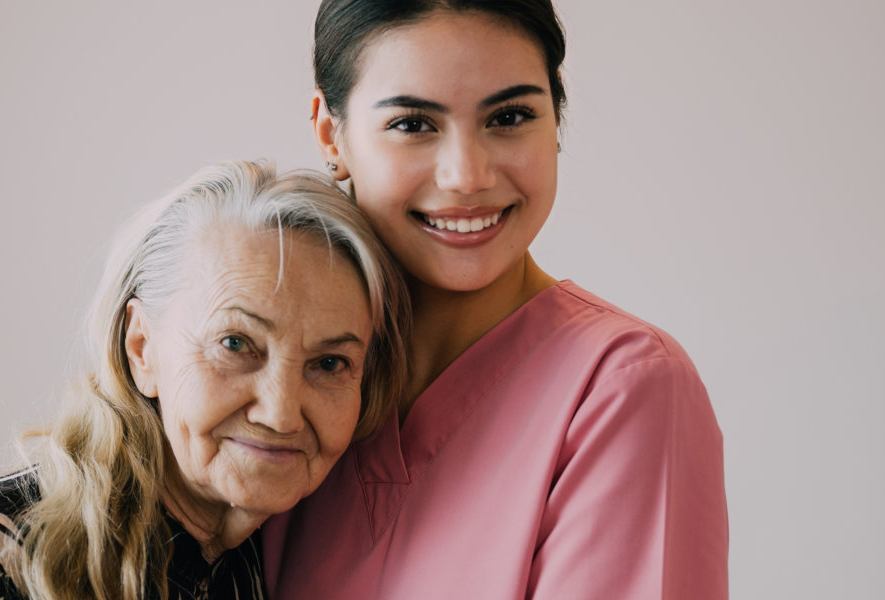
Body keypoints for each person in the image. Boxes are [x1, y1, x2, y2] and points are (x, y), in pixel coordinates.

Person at [264, 1, 729, 598]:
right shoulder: (272, 377)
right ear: (332, 134)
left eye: (509, 116)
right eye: (413, 123)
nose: (467, 175)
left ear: (556, 118)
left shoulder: (623, 389)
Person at [0, 160, 409, 600]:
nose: (280, 412)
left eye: (329, 364)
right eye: (235, 344)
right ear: (141, 348)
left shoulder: (292, 552)